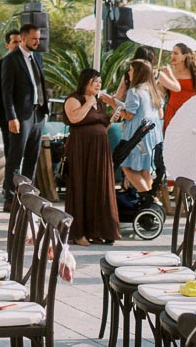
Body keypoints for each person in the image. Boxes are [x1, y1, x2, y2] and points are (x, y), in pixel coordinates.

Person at [62, 68, 120, 246]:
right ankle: (78, 232)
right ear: (85, 81)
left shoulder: (100, 103)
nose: (98, 85)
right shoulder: (74, 99)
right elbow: (74, 119)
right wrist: (88, 103)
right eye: (95, 81)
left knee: (98, 187)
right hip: (81, 148)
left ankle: (97, 230)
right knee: (81, 185)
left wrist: (111, 121)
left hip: (100, 150)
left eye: (100, 82)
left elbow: (100, 127)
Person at [0, 23, 47, 209]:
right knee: (15, 156)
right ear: (24, 38)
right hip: (21, 115)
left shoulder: (38, 57)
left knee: (32, 157)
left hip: (38, 113)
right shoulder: (11, 60)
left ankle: (27, 196)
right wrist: (11, 117)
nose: (37, 42)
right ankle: (10, 198)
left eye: (39, 38)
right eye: (34, 38)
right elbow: (7, 92)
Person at [103, 59, 163, 196]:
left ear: (138, 73)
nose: (129, 73)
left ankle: (148, 199)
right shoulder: (153, 91)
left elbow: (129, 115)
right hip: (151, 136)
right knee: (145, 170)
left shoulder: (134, 91)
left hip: (137, 136)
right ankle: (149, 201)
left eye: (131, 70)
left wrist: (112, 102)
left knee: (127, 167)